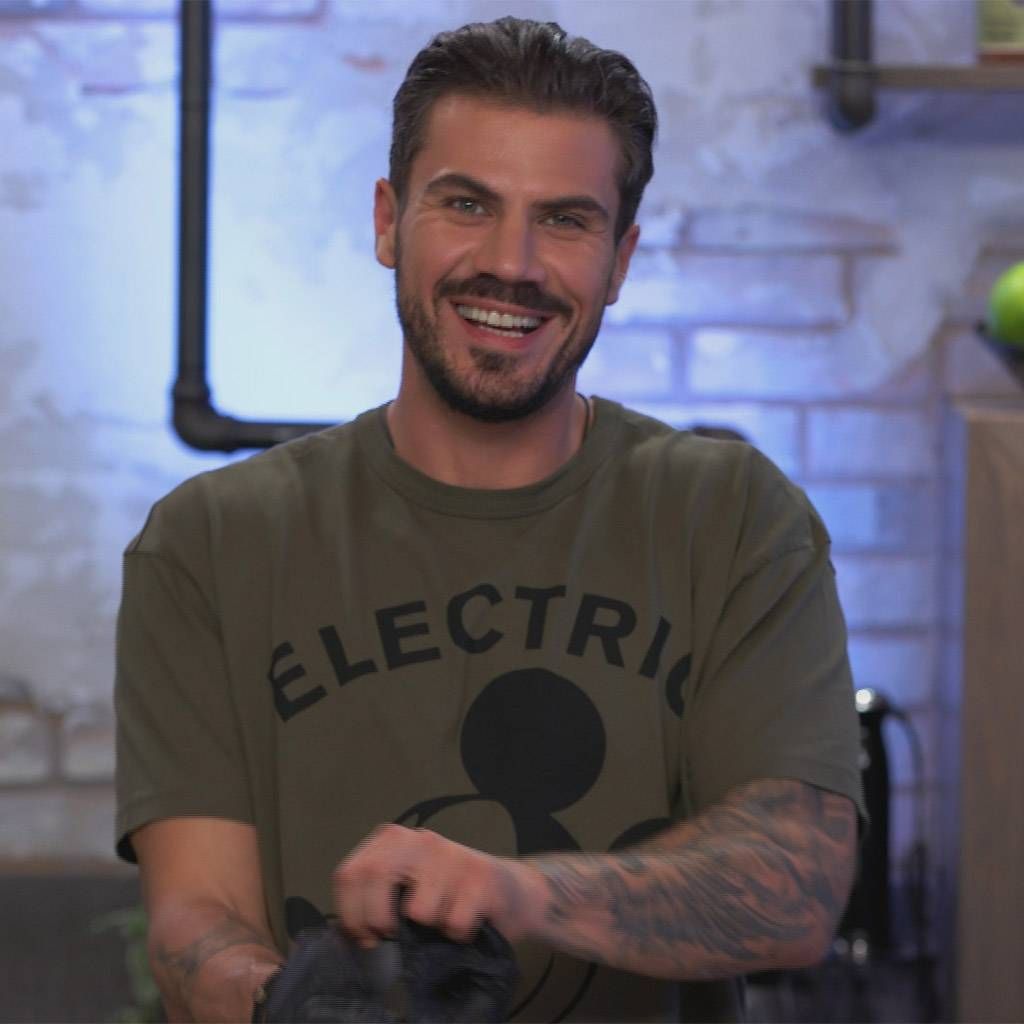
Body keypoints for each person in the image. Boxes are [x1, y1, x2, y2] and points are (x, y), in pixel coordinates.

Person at [115, 16, 864, 1023]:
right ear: (389, 222)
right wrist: (291, 1002)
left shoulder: (730, 518)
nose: (512, 263)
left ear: (620, 260)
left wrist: (518, 891)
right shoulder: (211, 541)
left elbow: (796, 882)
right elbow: (193, 920)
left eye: (564, 219)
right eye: (466, 203)